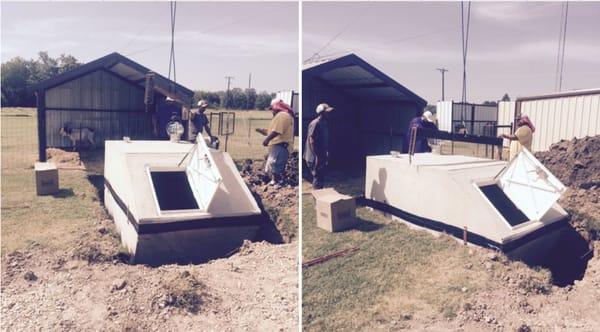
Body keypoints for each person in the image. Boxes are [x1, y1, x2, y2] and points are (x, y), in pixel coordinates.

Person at [261, 98, 295, 186]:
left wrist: (266, 140)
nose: (272, 112)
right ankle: (274, 181)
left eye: (272, 109)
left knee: (275, 164)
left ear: (276, 107)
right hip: (280, 146)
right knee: (273, 165)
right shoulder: (285, 115)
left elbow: (276, 131)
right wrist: (264, 131)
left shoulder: (282, 115)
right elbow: (273, 130)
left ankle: (277, 182)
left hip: (280, 146)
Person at [304, 103, 333, 189]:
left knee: (321, 175)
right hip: (314, 156)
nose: (329, 114)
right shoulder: (315, 123)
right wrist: (316, 156)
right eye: (327, 112)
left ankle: (320, 194)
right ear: (322, 113)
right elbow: (311, 140)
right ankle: (317, 195)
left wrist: (326, 151)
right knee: (317, 176)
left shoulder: (325, 123)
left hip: (321, 154)